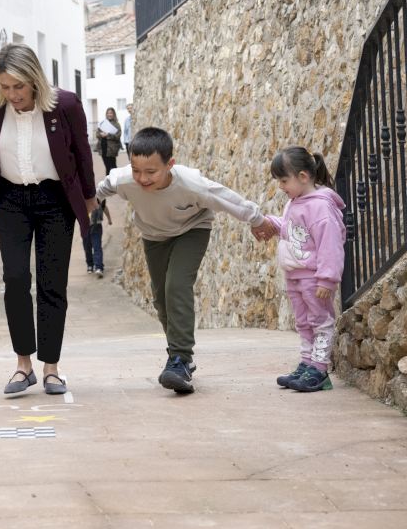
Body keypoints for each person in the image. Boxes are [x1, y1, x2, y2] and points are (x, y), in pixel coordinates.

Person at [0, 44, 96, 396]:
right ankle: (24, 365)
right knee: (16, 278)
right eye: (5, 86)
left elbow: (82, 152)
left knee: (52, 283)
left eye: (18, 86)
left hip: (55, 200)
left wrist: (89, 196)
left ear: (34, 79)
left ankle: (51, 368)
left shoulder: (65, 105)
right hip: (10, 200)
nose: (12, 94)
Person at [97, 126, 272, 394]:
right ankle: (178, 357)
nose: (142, 178)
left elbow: (225, 198)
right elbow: (100, 190)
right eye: (136, 170)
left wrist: (257, 220)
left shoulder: (191, 183)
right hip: (154, 236)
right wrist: (86, 205)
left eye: (151, 171)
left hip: (192, 230)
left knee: (176, 286)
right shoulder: (123, 180)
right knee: (161, 298)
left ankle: (180, 359)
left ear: (170, 164)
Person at [259, 147, 345, 393]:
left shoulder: (321, 207)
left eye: (284, 180)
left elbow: (330, 244)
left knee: (320, 321)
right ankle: (307, 363)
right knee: (303, 322)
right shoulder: (294, 203)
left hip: (313, 278)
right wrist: (271, 223)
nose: (280, 186)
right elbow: (292, 229)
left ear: (303, 177)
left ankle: (319, 370)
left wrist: (327, 279)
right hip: (295, 277)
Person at [82, 199, 112, 277]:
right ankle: (90, 264)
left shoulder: (98, 198)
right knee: (87, 247)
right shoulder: (81, 198)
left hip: (97, 226)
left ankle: (99, 267)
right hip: (85, 227)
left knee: (97, 246)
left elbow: (104, 208)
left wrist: (109, 219)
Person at [97, 107, 123, 173]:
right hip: (103, 147)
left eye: (111, 113)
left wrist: (108, 135)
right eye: (108, 113)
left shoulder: (116, 124)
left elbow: (118, 136)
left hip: (112, 149)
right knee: (107, 166)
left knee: (113, 166)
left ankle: (114, 178)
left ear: (114, 114)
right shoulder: (102, 123)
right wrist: (101, 134)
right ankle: (108, 178)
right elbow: (97, 134)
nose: (109, 114)